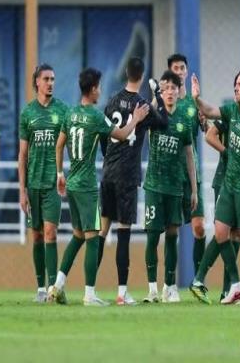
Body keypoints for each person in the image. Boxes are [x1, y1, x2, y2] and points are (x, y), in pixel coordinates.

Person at [49, 68, 149, 306]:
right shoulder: (95, 117)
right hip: (86, 186)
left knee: (77, 236)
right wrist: (136, 118)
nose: (101, 91)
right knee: (93, 238)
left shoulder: (70, 114)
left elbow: (59, 145)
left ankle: (57, 286)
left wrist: (60, 174)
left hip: (72, 183)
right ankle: (89, 294)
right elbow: (122, 135)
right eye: (99, 87)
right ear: (93, 89)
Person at [189, 69, 240, 306]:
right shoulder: (232, 110)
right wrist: (196, 98)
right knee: (221, 231)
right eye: (235, 84)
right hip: (228, 184)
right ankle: (235, 285)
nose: (236, 87)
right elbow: (210, 111)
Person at [98, 57, 168, 305]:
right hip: (127, 175)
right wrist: (157, 93)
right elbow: (164, 122)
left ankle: (89, 289)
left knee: (101, 232)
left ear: (126, 73)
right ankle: (122, 292)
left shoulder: (111, 101)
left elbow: (103, 136)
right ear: (142, 75)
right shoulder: (142, 106)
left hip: (108, 173)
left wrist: (109, 158)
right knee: (123, 232)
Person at [142, 70, 198, 303]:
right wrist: (155, 96)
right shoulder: (155, 116)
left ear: (178, 91)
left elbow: (189, 157)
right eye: (165, 89)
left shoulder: (184, 121)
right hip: (154, 186)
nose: (170, 92)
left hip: (175, 187)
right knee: (153, 236)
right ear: (162, 92)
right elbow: (146, 115)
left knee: (173, 235)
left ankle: (169, 286)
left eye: (173, 88)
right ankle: (152, 289)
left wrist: (194, 190)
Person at [18, 63, 68, 302]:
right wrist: (22, 190)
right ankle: (40, 288)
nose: (50, 83)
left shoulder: (62, 110)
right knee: (36, 235)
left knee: (50, 233)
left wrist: (64, 174)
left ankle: (51, 288)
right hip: (33, 185)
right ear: (37, 82)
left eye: (53, 79)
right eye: (46, 79)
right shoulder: (27, 113)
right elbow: (22, 155)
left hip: (52, 184)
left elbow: (70, 144)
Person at [167, 54, 206, 275]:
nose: (180, 72)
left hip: (193, 175)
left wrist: (204, 120)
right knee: (171, 231)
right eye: (176, 68)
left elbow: (207, 129)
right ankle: (169, 283)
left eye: (183, 68)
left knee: (199, 227)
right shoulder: (165, 104)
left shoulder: (194, 102)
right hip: (172, 176)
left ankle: (198, 280)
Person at [205, 119, 240, 300]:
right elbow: (210, 134)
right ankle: (199, 279)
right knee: (222, 231)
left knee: (237, 234)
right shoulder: (229, 114)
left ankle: (228, 290)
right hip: (224, 180)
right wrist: (227, 152)